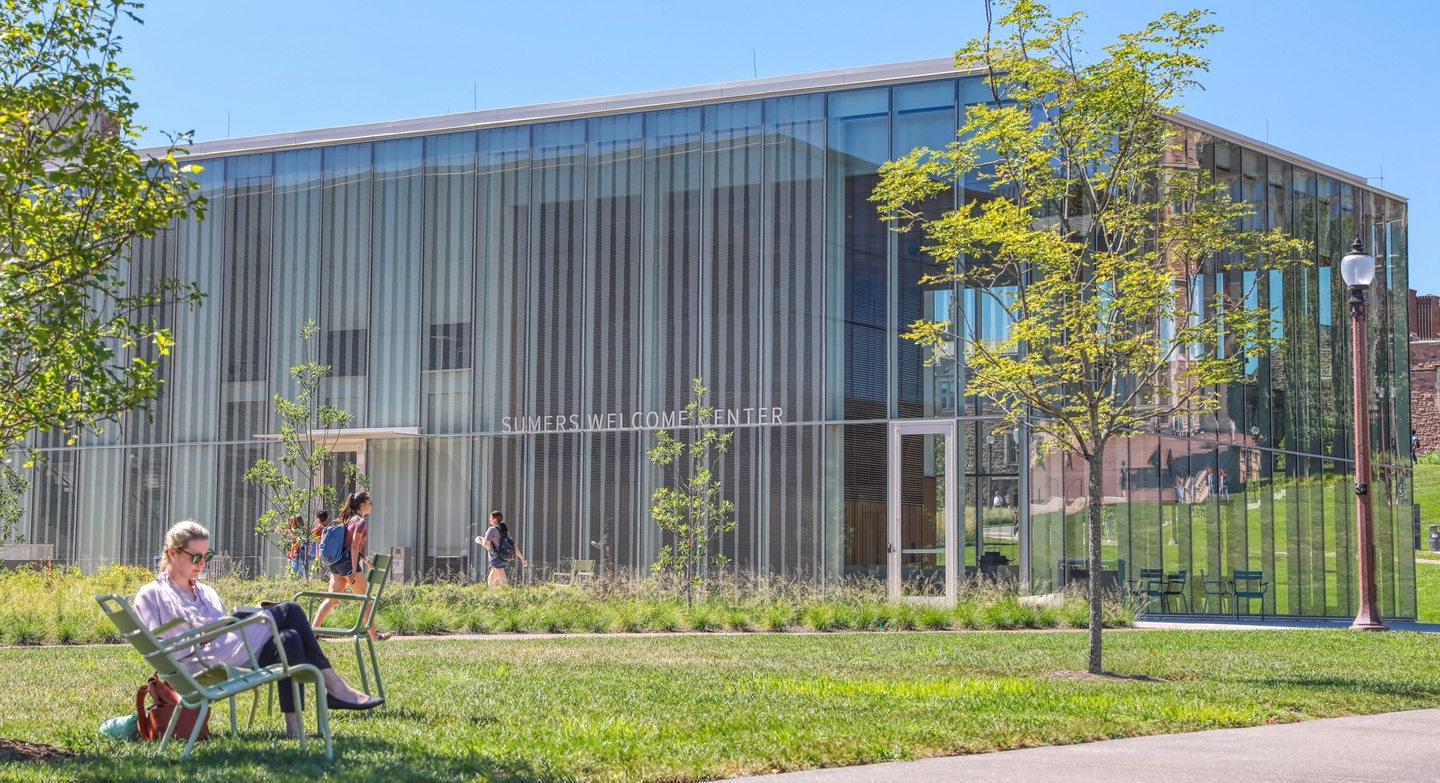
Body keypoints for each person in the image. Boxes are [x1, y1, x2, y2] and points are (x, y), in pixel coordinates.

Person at [132, 521, 382, 738]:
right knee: (291, 611)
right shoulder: (152, 594)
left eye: (206, 557)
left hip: (227, 651)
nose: (201, 564)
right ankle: (336, 689)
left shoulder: (206, 592)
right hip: (198, 664)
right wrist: (205, 632)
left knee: (289, 638)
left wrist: (230, 623)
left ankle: (294, 728)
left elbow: (222, 626)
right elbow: (161, 647)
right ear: (171, 553)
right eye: (195, 557)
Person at [312, 491, 391, 641]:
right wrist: (354, 569)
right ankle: (374, 635)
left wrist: (365, 560)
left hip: (337, 564)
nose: (372, 505)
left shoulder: (348, 520)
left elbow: (347, 545)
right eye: (370, 503)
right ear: (362, 505)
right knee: (364, 598)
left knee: (332, 599)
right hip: (348, 564)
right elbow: (354, 546)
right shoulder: (360, 522)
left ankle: (312, 632)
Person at [477, 511, 528, 586]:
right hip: (504, 558)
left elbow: (485, 544)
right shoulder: (505, 530)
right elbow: (513, 546)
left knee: (503, 583)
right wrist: (522, 558)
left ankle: (509, 596)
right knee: (490, 581)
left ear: (495, 519)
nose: (489, 519)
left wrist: (480, 539)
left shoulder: (492, 529)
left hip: (495, 559)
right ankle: (491, 596)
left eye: (490, 517)